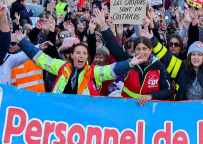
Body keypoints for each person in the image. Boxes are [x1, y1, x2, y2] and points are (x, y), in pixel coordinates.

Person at [15, 30, 147, 96]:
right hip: (60, 113)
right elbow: (40, 59)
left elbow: (112, 70)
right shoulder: (60, 67)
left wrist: (130, 62)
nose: (81, 56)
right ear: (71, 55)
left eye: (84, 53)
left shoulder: (93, 71)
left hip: (82, 116)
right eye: (77, 53)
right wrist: (23, 42)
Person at [94, 9, 173, 103]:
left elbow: (168, 91)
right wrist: (103, 26)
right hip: (128, 109)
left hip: (150, 110)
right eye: (138, 49)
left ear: (151, 50)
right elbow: (114, 46)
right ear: (134, 50)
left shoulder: (159, 66)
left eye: (144, 49)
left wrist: (150, 96)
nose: (141, 52)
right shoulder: (129, 62)